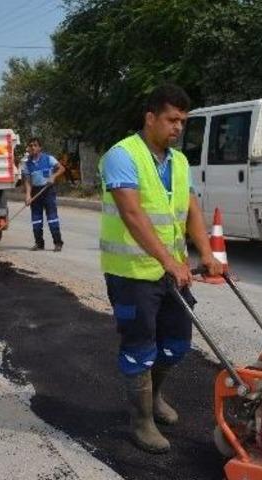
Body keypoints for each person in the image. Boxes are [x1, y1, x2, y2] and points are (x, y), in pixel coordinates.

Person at [98, 84, 223, 453]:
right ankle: (141, 421)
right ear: (150, 117)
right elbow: (133, 214)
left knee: (177, 344)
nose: (178, 127)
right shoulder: (122, 155)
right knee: (139, 347)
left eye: (183, 121)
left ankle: (155, 397)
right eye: (172, 119)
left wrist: (206, 253)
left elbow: (191, 210)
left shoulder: (179, 162)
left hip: (173, 273)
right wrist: (167, 260)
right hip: (132, 274)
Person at [21, 137, 65, 251]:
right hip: (36, 192)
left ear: (40, 147)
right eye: (31, 145)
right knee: (36, 219)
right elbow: (27, 181)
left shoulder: (49, 159)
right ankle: (39, 243)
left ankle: (58, 243)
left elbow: (61, 168)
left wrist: (53, 176)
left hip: (48, 191)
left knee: (52, 218)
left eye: (35, 145)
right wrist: (28, 195)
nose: (33, 147)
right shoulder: (27, 164)